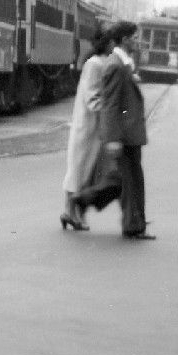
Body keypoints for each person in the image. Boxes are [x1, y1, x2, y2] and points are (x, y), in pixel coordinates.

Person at [60, 25, 120, 231]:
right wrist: (109, 111)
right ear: (107, 42)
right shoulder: (94, 64)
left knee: (86, 172)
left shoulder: (100, 62)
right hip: (87, 126)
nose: (115, 44)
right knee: (79, 170)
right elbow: (92, 96)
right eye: (112, 41)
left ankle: (73, 213)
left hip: (93, 127)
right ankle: (71, 213)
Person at [99, 21, 155, 240]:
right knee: (129, 182)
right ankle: (132, 225)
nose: (137, 41)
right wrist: (112, 138)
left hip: (129, 134)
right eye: (134, 37)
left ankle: (136, 222)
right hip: (123, 136)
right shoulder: (115, 65)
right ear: (124, 40)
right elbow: (110, 104)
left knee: (134, 180)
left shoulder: (123, 64)